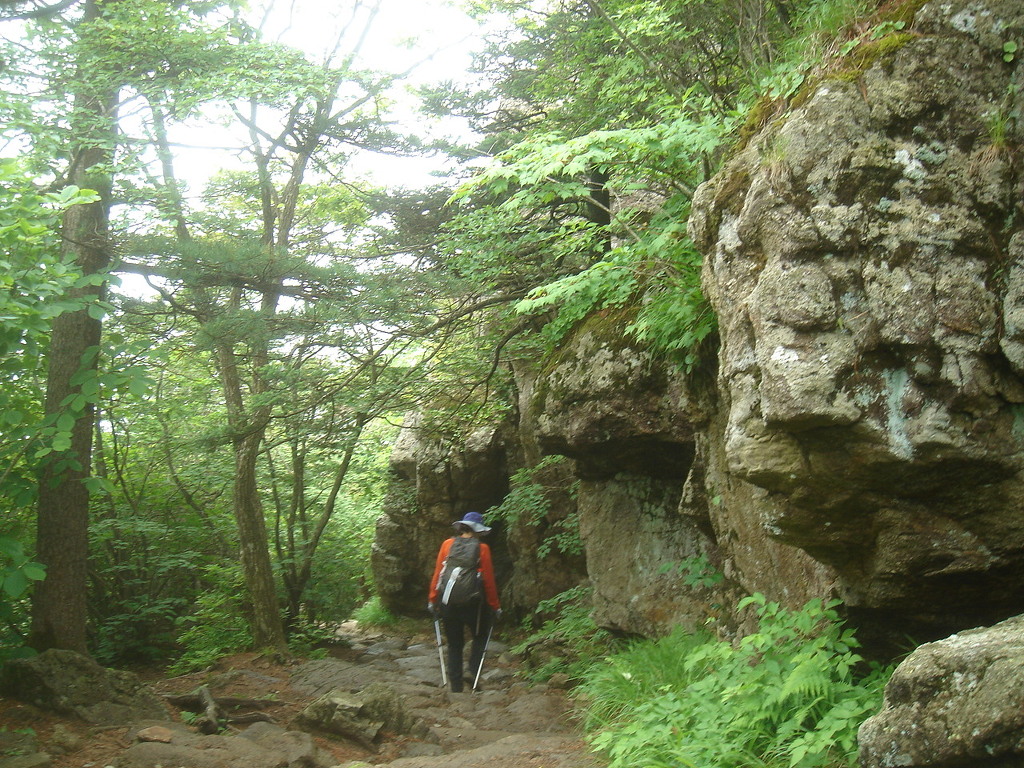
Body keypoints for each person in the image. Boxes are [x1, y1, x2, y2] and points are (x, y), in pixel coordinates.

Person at [428, 511, 501, 692]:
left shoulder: (447, 544)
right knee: (480, 637)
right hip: (474, 606)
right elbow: (488, 580)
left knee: (454, 645)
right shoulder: (482, 548)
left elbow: (439, 574)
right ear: (478, 530)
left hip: (448, 602)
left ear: (461, 527)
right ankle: (472, 672)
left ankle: (456, 687)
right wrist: (495, 606)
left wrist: (432, 599)